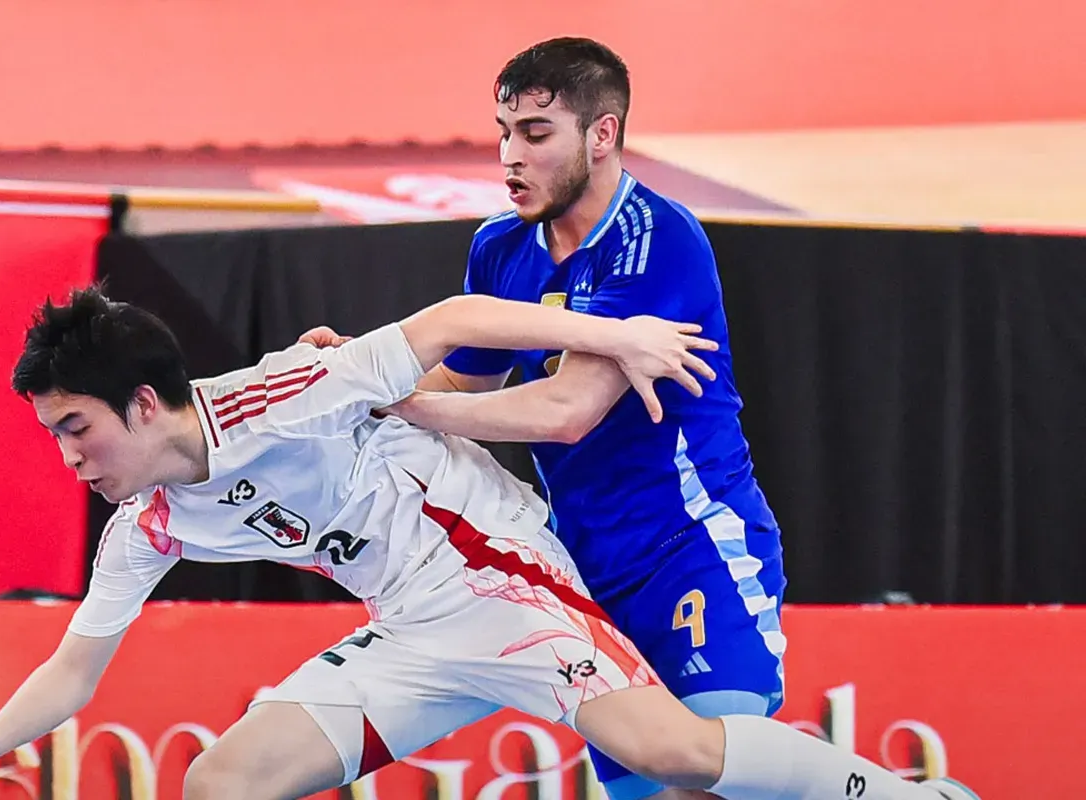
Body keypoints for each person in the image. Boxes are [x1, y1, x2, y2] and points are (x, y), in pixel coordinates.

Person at [0, 286, 975, 800]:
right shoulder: (150, 521)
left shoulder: (285, 392)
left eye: (75, 428)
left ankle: (916, 796)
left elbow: (453, 318)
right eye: (53, 437)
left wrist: (615, 336)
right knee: (219, 784)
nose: (67, 458)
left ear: (142, 402)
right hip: (407, 626)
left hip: (499, 576)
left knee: (675, 755)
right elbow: (75, 664)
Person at [302, 37, 977, 800]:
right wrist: (358, 373)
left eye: (535, 133)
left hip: (691, 546)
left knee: (705, 775)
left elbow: (567, 411)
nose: (509, 156)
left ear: (602, 134)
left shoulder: (655, 239)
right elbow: (464, 375)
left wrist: (398, 401)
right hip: (583, 566)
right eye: (502, 131)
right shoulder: (500, 248)